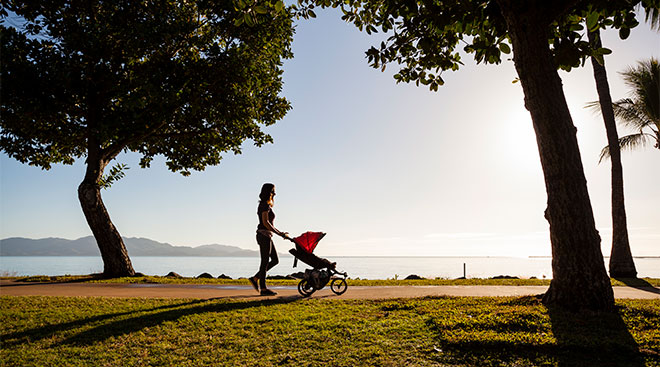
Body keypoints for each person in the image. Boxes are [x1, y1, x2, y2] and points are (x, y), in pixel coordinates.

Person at [249, 183, 289, 296]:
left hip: (267, 235)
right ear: (268, 192)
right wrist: (280, 233)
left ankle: (255, 278)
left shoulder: (267, 205)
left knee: (275, 260)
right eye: (273, 191)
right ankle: (263, 289)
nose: (275, 193)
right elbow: (266, 223)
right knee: (265, 261)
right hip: (263, 234)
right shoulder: (264, 205)